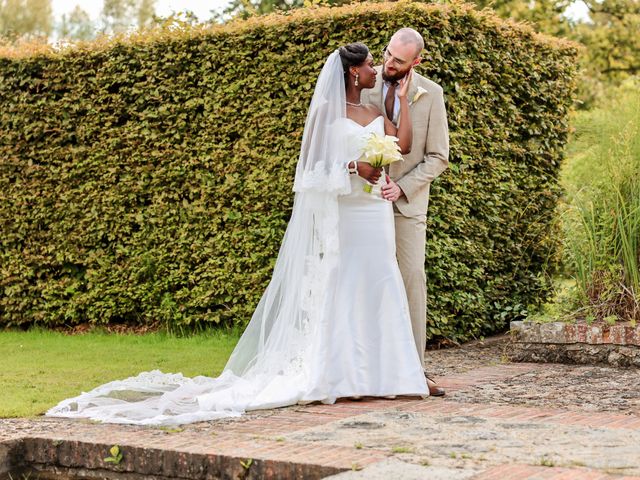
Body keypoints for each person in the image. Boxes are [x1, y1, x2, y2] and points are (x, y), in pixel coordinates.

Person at [45, 43, 429, 426]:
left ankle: (387, 374)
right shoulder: (327, 112)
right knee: (342, 283)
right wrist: (351, 166)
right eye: (367, 65)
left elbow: (405, 145)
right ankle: (342, 375)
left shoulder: (376, 109)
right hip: (346, 214)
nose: (375, 69)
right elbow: (309, 169)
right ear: (351, 72)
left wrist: (402, 98)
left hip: (375, 212)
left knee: (379, 280)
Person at [361, 28, 449, 397]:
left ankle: (415, 369)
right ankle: (366, 368)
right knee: (364, 282)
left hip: (407, 207)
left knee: (412, 279)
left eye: (398, 60)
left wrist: (403, 187)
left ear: (416, 61)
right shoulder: (363, 85)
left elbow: (438, 157)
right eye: (387, 54)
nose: (388, 63)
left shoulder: (432, 94)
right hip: (364, 202)